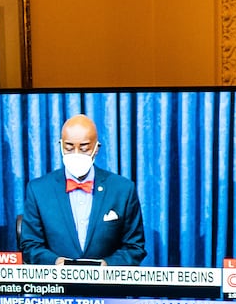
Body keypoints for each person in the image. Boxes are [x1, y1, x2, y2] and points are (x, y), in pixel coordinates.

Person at [18, 114, 145, 266]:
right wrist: (55, 262)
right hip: (57, 285)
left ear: (96, 149)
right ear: (60, 145)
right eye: (69, 148)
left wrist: (108, 265)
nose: (76, 153)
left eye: (84, 148)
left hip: (106, 286)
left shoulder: (123, 189)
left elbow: (135, 247)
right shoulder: (38, 190)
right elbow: (30, 245)